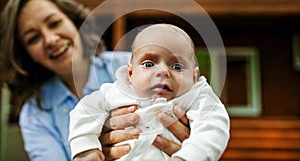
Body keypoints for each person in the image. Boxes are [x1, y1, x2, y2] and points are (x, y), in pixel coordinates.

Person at [0, 0, 191, 161]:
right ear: (26, 55)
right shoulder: (35, 114)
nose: (50, 39)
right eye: (33, 38)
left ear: (74, 22)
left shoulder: (134, 66)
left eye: (54, 23)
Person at [69, 24, 230, 161]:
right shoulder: (116, 91)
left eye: (178, 66)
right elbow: (85, 110)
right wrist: (85, 147)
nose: (162, 71)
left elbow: (213, 128)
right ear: (130, 74)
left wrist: (188, 156)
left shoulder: (197, 97)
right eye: (148, 64)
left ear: (194, 77)